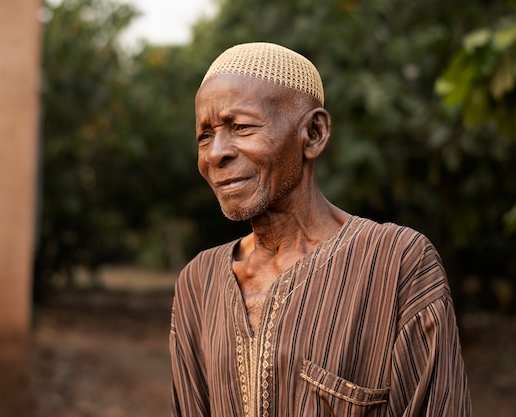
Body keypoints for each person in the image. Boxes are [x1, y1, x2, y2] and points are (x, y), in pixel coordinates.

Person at [170, 42, 472, 417]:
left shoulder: (396, 262)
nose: (215, 153)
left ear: (313, 134)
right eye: (204, 136)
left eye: (241, 127)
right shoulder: (198, 281)